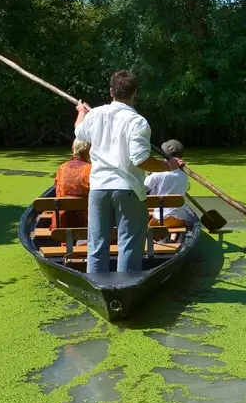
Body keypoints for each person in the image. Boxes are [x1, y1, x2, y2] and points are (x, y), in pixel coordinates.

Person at [74, 70, 184, 273]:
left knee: (96, 245)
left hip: (98, 189)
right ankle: (126, 290)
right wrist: (169, 166)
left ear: (111, 91)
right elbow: (140, 160)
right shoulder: (138, 122)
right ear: (135, 93)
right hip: (127, 189)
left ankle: (98, 289)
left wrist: (81, 110)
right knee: (129, 245)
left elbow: (78, 131)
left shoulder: (95, 114)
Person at [144, 139, 192, 242]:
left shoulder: (157, 172)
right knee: (177, 213)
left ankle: (155, 241)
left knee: (150, 222)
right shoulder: (184, 174)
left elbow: (144, 188)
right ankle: (173, 238)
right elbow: (187, 187)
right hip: (178, 220)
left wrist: (149, 174)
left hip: (158, 220)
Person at [51, 140, 91, 234]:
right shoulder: (90, 169)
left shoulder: (62, 168)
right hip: (85, 225)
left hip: (62, 224)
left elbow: (57, 189)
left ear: (73, 149)